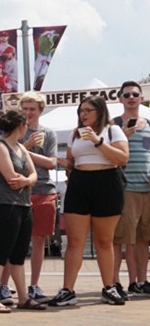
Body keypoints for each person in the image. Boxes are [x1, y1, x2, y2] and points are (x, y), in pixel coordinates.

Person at [46, 95, 129, 308]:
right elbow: (73, 162)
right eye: (81, 111)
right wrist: (66, 163)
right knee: (75, 241)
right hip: (80, 183)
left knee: (104, 241)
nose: (83, 115)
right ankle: (68, 290)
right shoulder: (75, 134)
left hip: (107, 181)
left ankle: (109, 287)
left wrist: (97, 140)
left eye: (87, 110)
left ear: (99, 112)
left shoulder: (112, 131)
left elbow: (122, 158)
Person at [0, 109, 38, 312]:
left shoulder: (22, 149)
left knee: (19, 253)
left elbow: (33, 175)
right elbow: (11, 178)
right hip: (4, 205)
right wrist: (26, 180)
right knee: (1, 251)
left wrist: (26, 180)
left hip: (24, 205)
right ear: (20, 126)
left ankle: (23, 297)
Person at [18, 91, 58, 301]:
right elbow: (7, 155)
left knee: (39, 240)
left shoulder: (48, 133)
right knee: (15, 240)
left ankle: (34, 284)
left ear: (40, 110)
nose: (28, 113)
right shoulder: (15, 130)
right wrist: (26, 146)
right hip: (19, 190)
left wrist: (25, 151)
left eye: (32, 109)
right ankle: (5, 286)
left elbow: (52, 163)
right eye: (25, 108)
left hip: (43, 189)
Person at [112, 81, 150, 296]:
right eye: (127, 95)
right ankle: (115, 281)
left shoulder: (149, 124)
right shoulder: (114, 125)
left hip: (147, 189)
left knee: (144, 239)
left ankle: (141, 281)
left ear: (141, 97)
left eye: (135, 94)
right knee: (120, 239)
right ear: (120, 99)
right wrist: (123, 136)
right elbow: (108, 153)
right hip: (125, 188)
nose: (131, 98)